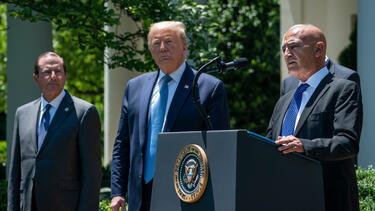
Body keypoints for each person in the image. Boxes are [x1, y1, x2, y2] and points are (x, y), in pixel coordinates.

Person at [110, 21, 230, 211]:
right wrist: (117, 191)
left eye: (169, 42)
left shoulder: (208, 88)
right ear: (150, 50)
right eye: (156, 43)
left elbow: (220, 146)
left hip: (187, 193)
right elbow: (122, 143)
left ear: (184, 48)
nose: (163, 48)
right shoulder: (135, 87)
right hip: (140, 196)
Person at [266, 24, 362, 211]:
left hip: (328, 199)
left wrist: (304, 146)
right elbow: (269, 145)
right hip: (285, 198)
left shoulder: (342, 89)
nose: (287, 53)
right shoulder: (285, 100)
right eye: (284, 48)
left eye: (293, 46)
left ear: (319, 49)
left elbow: (347, 142)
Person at [7, 52, 102, 211]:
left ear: (65, 76)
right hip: (29, 204)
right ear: (36, 78)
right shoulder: (22, 113)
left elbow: (92, 174)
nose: (53, 76)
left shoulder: (84, 113)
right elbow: (15, 171)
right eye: (46, 72)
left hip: (65, 205)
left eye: (58, 71)